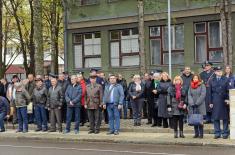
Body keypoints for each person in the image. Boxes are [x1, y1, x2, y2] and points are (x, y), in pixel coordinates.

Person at [208, 67, 230, 139]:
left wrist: (227, 99)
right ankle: (217, 133)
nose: (219, 72)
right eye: (218, 71)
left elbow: (228, 91)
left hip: (223, 100)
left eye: (220, 71)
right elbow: (209, 92)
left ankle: (225, 133)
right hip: (215, 100)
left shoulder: (226, 79)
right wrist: (210, 102)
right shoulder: (212, 80)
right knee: (216, 118)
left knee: (225, 118)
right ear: (215, 72)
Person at [188, 74, 206, 138]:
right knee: (194, 119)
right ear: (192, 79)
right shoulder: (190, 86)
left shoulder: (202, 85)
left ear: (199, 79)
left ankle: (201, 134)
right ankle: (196, 133)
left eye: (196, 78)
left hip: (200, 105)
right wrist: (192, 103)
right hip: (192, 105)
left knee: (200, 120)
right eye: (194, 78)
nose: (195, 79)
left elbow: (203, 95)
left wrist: (197, 103)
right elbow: (189, 95)